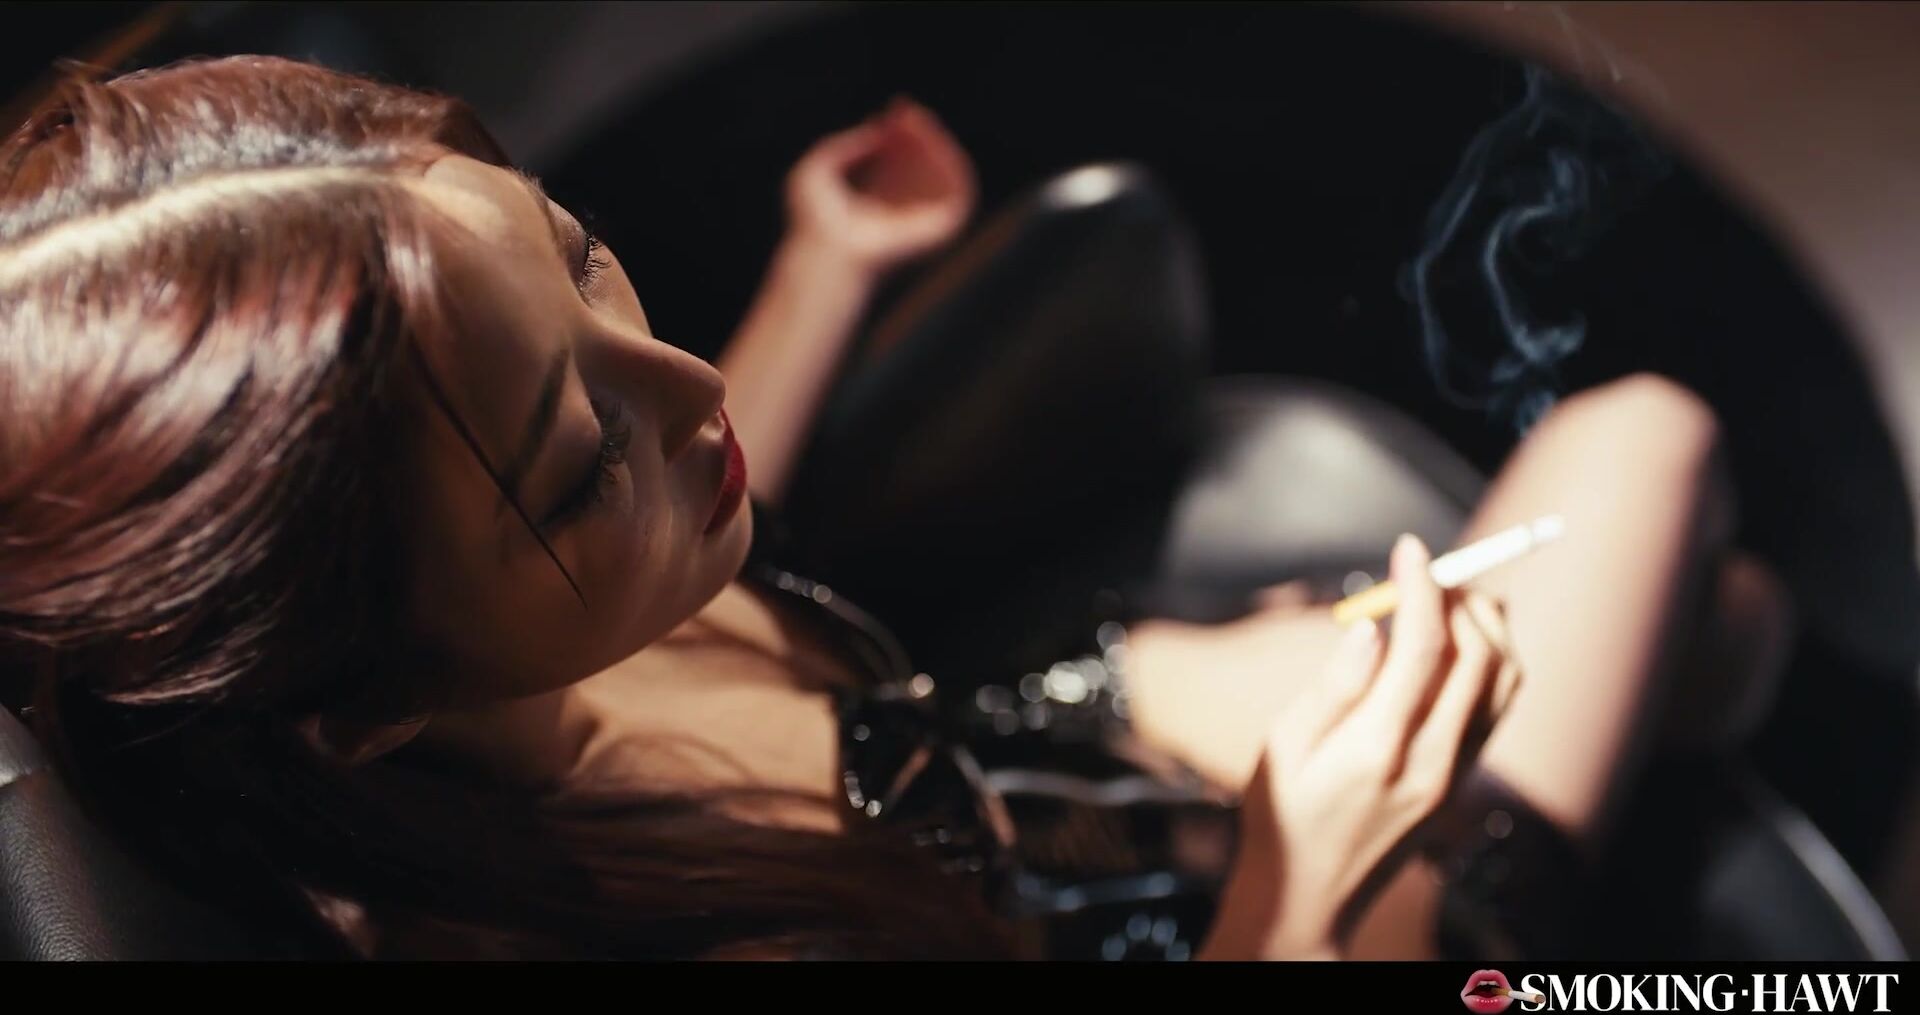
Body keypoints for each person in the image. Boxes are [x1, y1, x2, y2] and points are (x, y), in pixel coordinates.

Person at [0, 55, 1784, 960]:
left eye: (580, 256)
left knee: (1658, 609)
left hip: (1029, 750)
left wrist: (825, 266)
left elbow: (711, 499)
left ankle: (1691, 688)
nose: (690, 387)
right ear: (366, 703)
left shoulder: (512, 597)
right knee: (1645, 448)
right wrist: (1302, 887)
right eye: (585, 458)